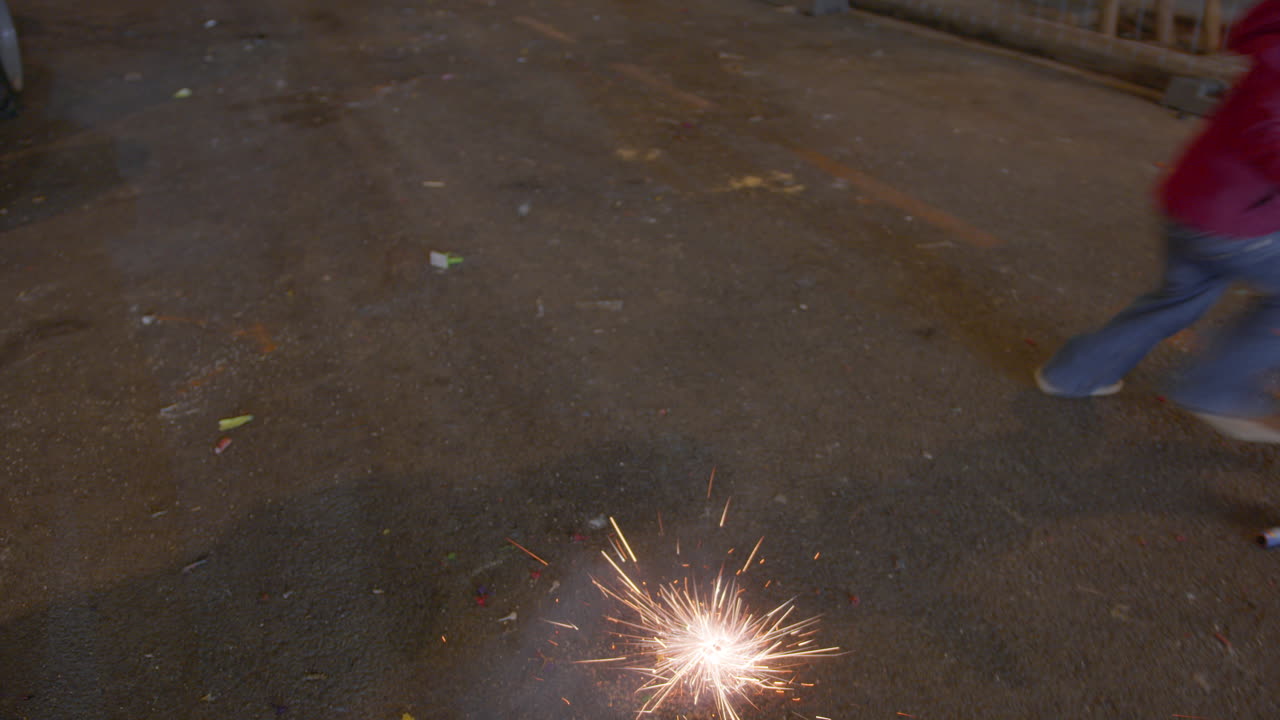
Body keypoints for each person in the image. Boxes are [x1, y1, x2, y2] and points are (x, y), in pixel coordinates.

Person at [1036, 0, 1280, 442]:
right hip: (1238, 224)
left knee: (1179, 297)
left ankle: (1075, 373)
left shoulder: (1271, 53)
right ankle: (1218, 389)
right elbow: (1271, 137)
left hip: (1189, 207)